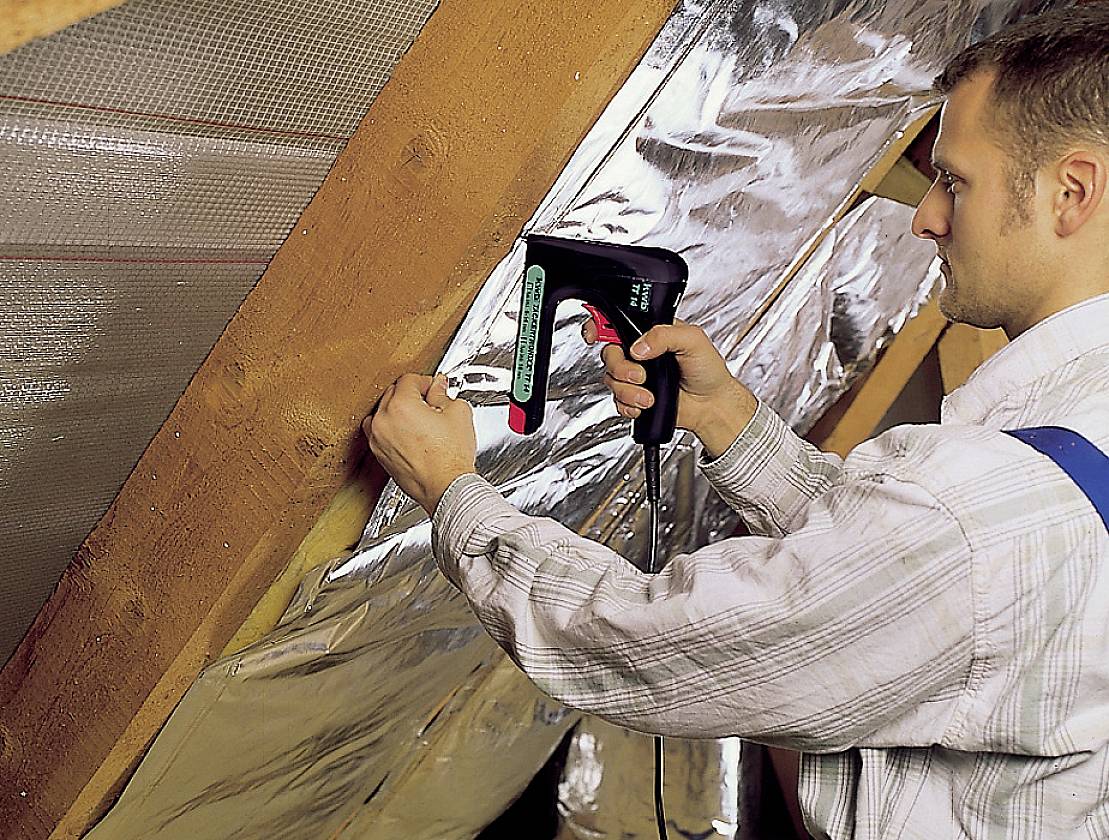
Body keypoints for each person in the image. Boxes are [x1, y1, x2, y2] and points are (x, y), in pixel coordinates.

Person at [365, 6, 1109, 838]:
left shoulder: (980, 517)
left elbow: (652, 647)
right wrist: (730, 423)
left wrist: (452, 494)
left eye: (955, 180)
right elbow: (917, 584)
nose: (923, 217)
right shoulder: (1068, 450)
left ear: (1070, 193)